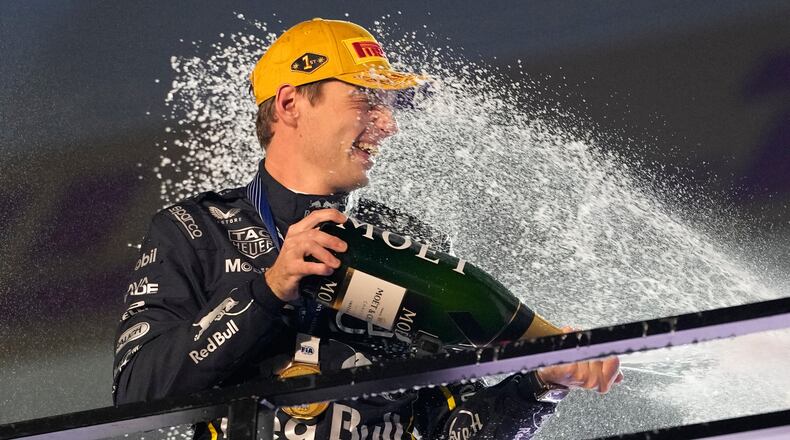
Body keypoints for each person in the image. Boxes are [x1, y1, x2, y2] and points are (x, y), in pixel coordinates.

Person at [113, 18, 622, 439]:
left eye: (389, 106)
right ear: (290, 104)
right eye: (365, 100)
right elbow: (138, 393)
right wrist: (268, 289)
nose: (388, 123)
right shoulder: (194, 228)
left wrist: (539, 383)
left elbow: (453, 429)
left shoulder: (408, 243)